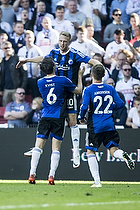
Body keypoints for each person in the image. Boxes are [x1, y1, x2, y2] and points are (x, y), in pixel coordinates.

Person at [16, 31, 101, 168]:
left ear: (69, 41)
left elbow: (91, 61)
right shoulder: (54, 53)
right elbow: (43, 58)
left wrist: (99, 67)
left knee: (73, 121)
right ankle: (37, 147)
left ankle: (76, 153)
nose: (62, 44)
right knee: (50, 119)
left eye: (65, 41)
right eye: (60, 41)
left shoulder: (75, 54)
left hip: (70, 91)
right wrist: (26, 60)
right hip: (57, 93)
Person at [28, 56, 84, 185]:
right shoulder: (62, 80)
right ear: (54, 67)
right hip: (58, 117)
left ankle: (32, 173)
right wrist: (79, 75)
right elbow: (79, 90)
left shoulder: (40, 82)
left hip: (45, 116)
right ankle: (51, 175)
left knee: (38, 146)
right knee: (55, 149)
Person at [78, 64, 135, 188]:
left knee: (90, 151)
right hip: (109, 125)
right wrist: (109, 107)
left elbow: (84, 106)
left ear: (92, 75)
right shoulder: (110, 88)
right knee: (113, 150)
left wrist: (80, 117)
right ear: (104, 75)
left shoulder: (88, 90)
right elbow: (120, 104)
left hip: (95, 126)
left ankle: (97, 182)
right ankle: (122, 155)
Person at [0, 41, 27, 106]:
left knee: (18, 108)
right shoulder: (2, 61)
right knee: (6, 109)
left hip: (17, 88)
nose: (7, 50)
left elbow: (25, 73)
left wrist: (22, 87)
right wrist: (1, 89)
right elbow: (1, 76)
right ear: (2, 49)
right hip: (6, 89)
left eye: (9, 48)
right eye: (5, 48)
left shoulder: (17, 58)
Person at [17, 30, 43, 99]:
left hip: (34, 77)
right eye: (27, 37)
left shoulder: (37, 49)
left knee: (36, 95)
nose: (29, 39)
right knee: (25, 96)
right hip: (24, 77)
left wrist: (35, 75)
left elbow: (39, 63)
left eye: (31, 37)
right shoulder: (21, 50)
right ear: (25, 38)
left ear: (34, 38)